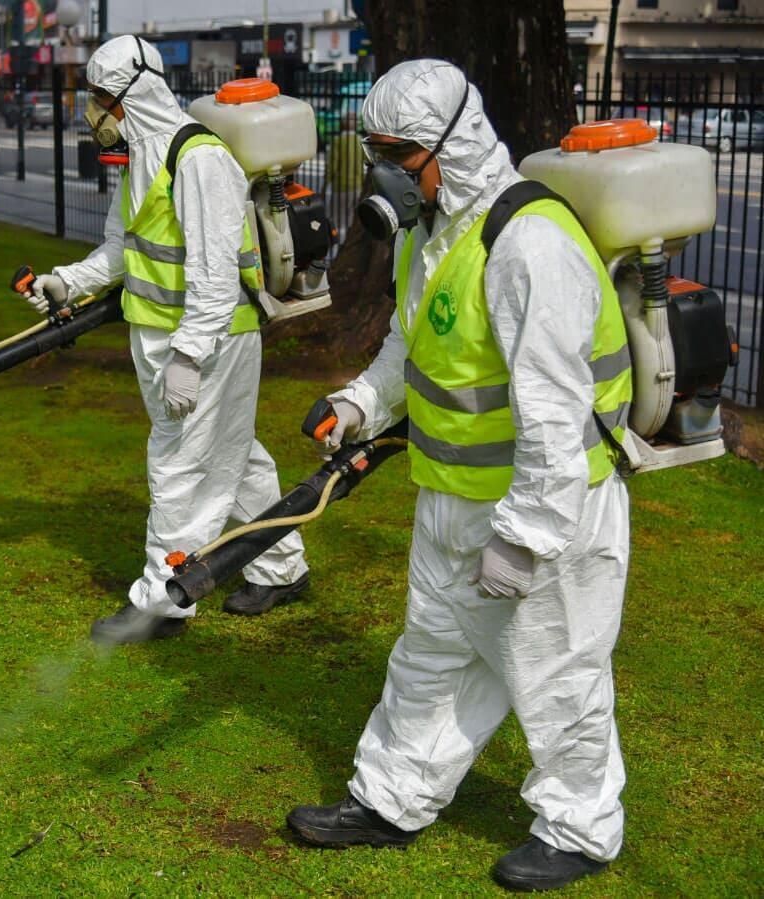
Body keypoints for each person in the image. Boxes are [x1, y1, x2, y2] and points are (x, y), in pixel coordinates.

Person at [285, 60, 633, 893]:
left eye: (399, 155)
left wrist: (524, 538)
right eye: (376, 153)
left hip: (545, 508)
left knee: (557, 671)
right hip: (452, 496)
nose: (386, 173)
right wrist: (360, 402)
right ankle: (392, 797)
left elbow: (553, 414)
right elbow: (413, 345)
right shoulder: (433, 228)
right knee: (433, 654)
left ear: (454, 144)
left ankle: (582, 827)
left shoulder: (529, 245)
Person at [20, 37, 309, 644]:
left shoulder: (197, 159)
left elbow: (214, 274)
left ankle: (162, 599)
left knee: (178, 465)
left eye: (100, 96)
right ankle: (282, 567)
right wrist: (67, 282)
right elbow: (124, 247)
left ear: (134, 92)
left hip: (210, 340)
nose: (93, 110)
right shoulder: (141, 155)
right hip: (162, 337)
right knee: (236, 454)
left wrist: (188, 354)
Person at [324, 112, 363, 239]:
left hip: (340, 186)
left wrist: (326, 184)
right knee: (351, 219)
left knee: (337, 220)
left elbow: (332, 166)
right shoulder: (360, 141)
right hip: (357, 186)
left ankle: (336, 244)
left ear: (342, 123)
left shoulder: (337, 141)